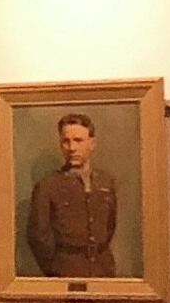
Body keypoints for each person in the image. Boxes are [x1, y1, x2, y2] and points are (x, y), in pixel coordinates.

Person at [26, 109, 121, 279]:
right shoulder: (48, 186)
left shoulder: (106, 182)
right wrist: (55, 270)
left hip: (103, 272)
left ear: (92, 143)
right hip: (65, 273)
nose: (72, 148)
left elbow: (109, 227)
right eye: (66, 141)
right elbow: (38, 237)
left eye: (78, 140)